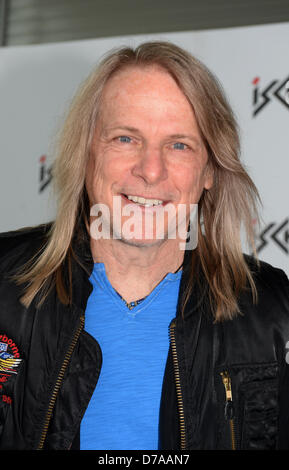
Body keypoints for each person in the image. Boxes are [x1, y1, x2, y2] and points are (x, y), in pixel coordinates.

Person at [0, 41, 288, 451]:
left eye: (179, 145)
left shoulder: (271, 311)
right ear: (85, 155)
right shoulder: (4, 291)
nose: (151, 170)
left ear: (209, 169)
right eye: (125, 139)